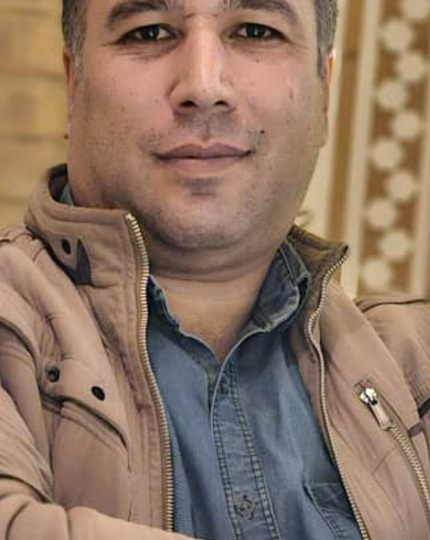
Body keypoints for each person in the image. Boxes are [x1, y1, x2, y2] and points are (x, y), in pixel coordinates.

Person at [0, 0, 430, 538]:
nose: (203, 87)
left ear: (325, 90)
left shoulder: (415, 368)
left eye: (255, 31)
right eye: (148, 33)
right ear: (73, 83)